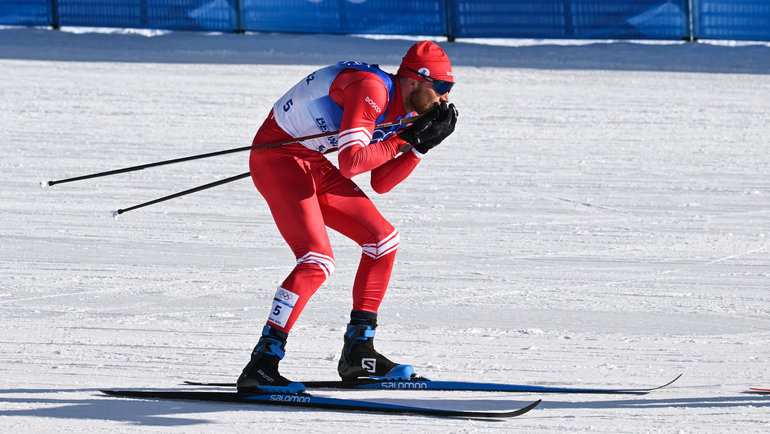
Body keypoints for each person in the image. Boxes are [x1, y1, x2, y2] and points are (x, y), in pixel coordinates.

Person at [238, 41, 458, 393]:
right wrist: (407, 138)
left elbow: (381, 182)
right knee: (316, 261)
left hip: (308, 159)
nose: (445, 99)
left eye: (450, 90)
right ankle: (262, 364)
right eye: (442, 88)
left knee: (383, 241)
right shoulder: (372, 89)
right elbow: (352, 162)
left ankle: (359, 352)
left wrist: (419, 147)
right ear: (416, 81)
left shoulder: (404, 107)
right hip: (277, 156)